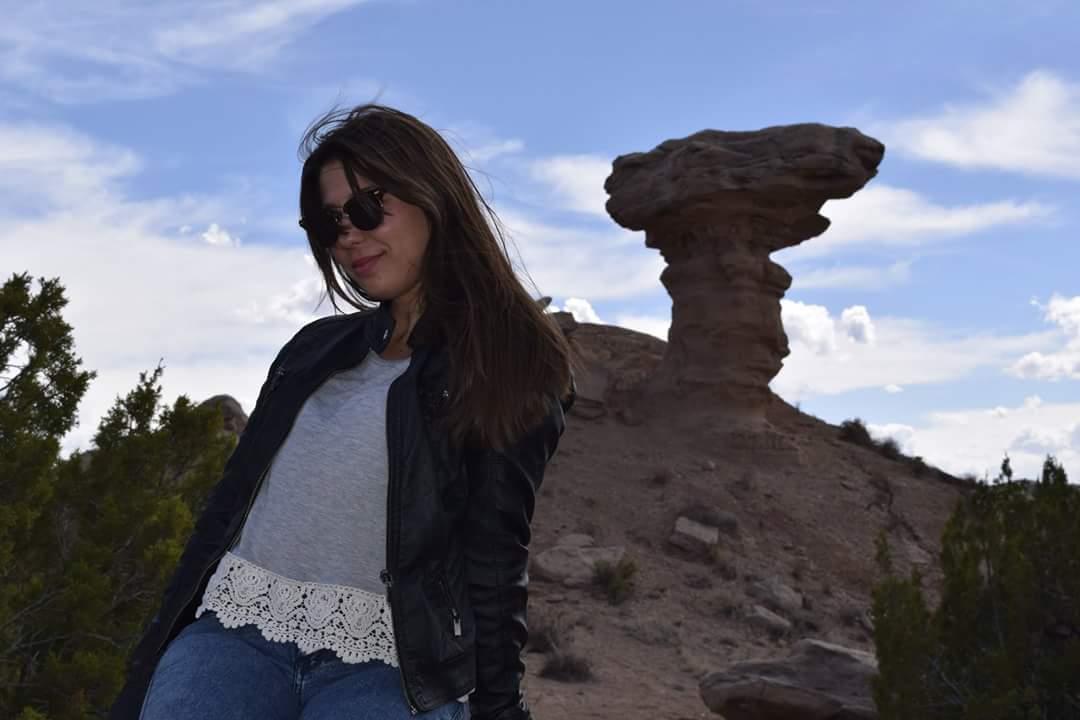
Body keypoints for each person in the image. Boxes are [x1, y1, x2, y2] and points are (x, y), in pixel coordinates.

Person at [108, 104, 577, 720]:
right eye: (331, 222)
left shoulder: (507, 366)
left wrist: (500, 709)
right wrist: (147, 668)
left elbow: (494, 561)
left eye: (367, 206)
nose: (349, 234)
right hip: (233, 634)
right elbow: (221, 518)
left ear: (433, 195)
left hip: (390, 669)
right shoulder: (312, 350)